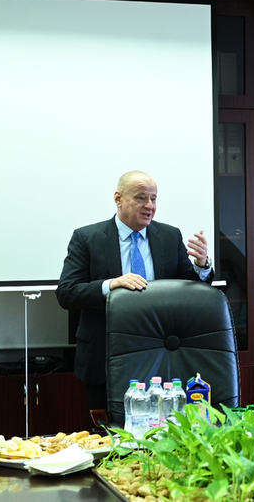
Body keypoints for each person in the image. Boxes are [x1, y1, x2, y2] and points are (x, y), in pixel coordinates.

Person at [56, 171, 214, 410]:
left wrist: (202, 266)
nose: (149, 205)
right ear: (118, 198)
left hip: (162, 350)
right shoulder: (87, 238)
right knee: (107, 426)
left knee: (163, 421)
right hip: (106, 352)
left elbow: (190, 289)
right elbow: (67, 293)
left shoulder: (170, 236)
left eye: (153, 199)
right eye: (141, 198)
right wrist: (112, 285)